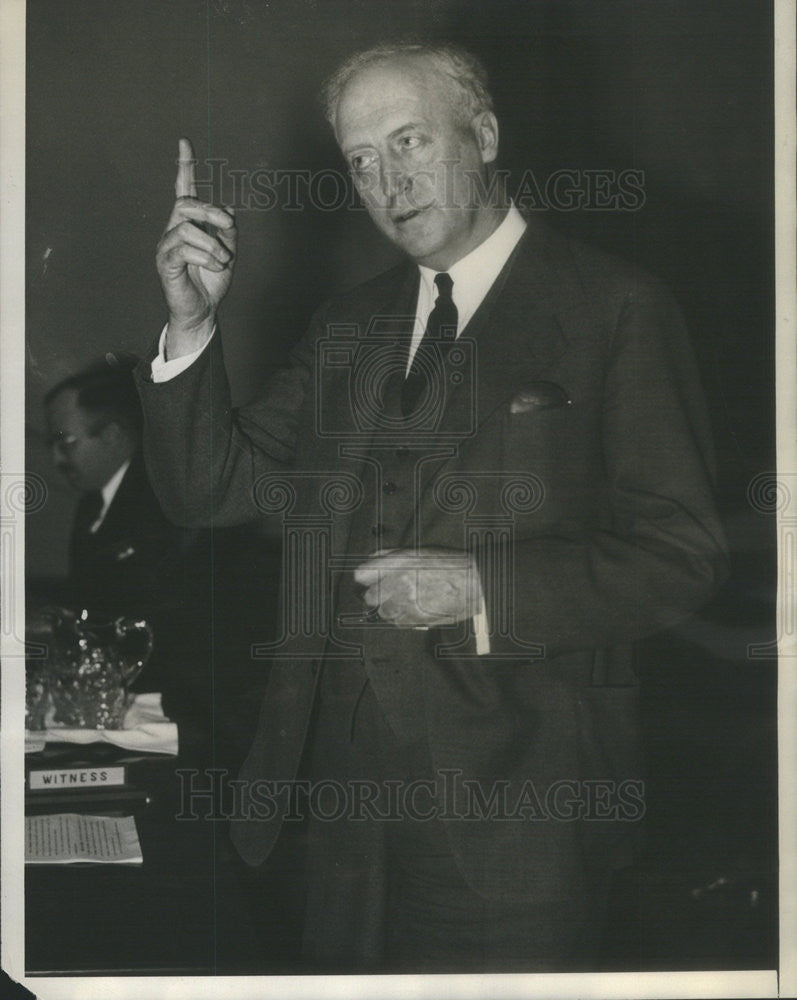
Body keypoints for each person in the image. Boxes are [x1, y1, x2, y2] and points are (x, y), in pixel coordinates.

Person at [135, 42, 729, 971]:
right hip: (337, 812)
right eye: (361, 161)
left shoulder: (616, 307)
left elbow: (683, 554)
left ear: (483, 135)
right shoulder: (348, 325)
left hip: (517, 819)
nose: (386, 179)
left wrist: (482, 591)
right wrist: (192, 322)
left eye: (408, 141)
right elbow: (210, 489)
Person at [42, 358, 212, 714]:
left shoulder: (165, 505)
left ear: (113, 435)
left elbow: (165, 622)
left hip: (169, 703)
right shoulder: (95, 502)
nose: (56, 458)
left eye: (67, 442)